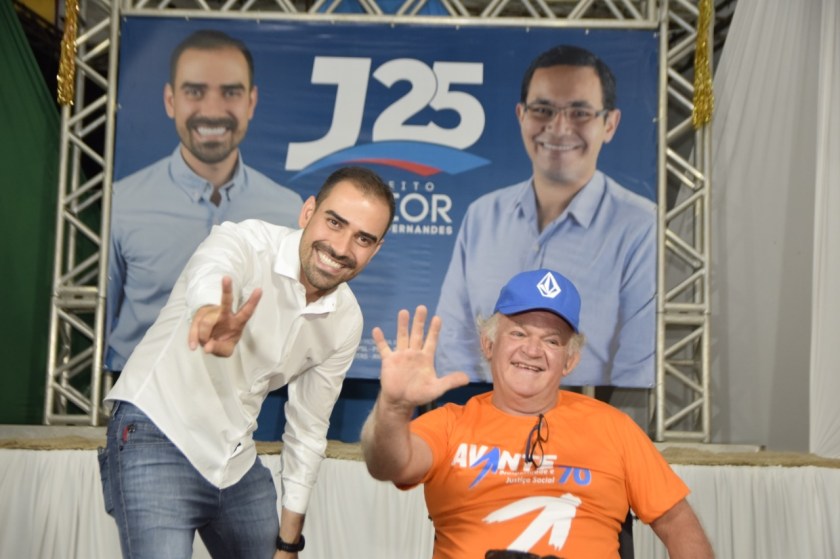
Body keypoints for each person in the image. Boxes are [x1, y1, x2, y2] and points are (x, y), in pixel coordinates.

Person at [98, 166, 395, 558]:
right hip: (157, 431)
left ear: (375, 250)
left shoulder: (345, 320)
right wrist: (209, 313)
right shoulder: (244, 242)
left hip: (236, 459)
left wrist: (289, 543)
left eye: (363, 238)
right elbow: (214, 271)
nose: (341, 247)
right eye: (335, 222)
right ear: (308, 212)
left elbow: (308, 429)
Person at [361, 269, 714, 559]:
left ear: (569, 361)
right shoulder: (450, 423)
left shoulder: (614, 427)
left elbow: (678, 523)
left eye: (552, 341)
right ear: (488, 344)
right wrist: (394, 407)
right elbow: (388, 465)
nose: (532, 350)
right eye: (518, 333)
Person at [435, 44, 656, 387]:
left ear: (610, 124)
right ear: (521, 115)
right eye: (543, 110)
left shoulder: (641, 226)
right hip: (482, 409)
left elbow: (637, 368)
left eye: (580, 112)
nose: (559, 127)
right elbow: (454, 343)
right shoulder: (482, 216)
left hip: (586, 410)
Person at [106, 29, 303, 372]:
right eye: (195, 92)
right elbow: (101, 313)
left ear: (251, 102)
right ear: (171, 101)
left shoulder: (287, 210)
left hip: (242, 393)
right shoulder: (121, 202)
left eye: (231, 92)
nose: (212, 110)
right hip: (137, 389)